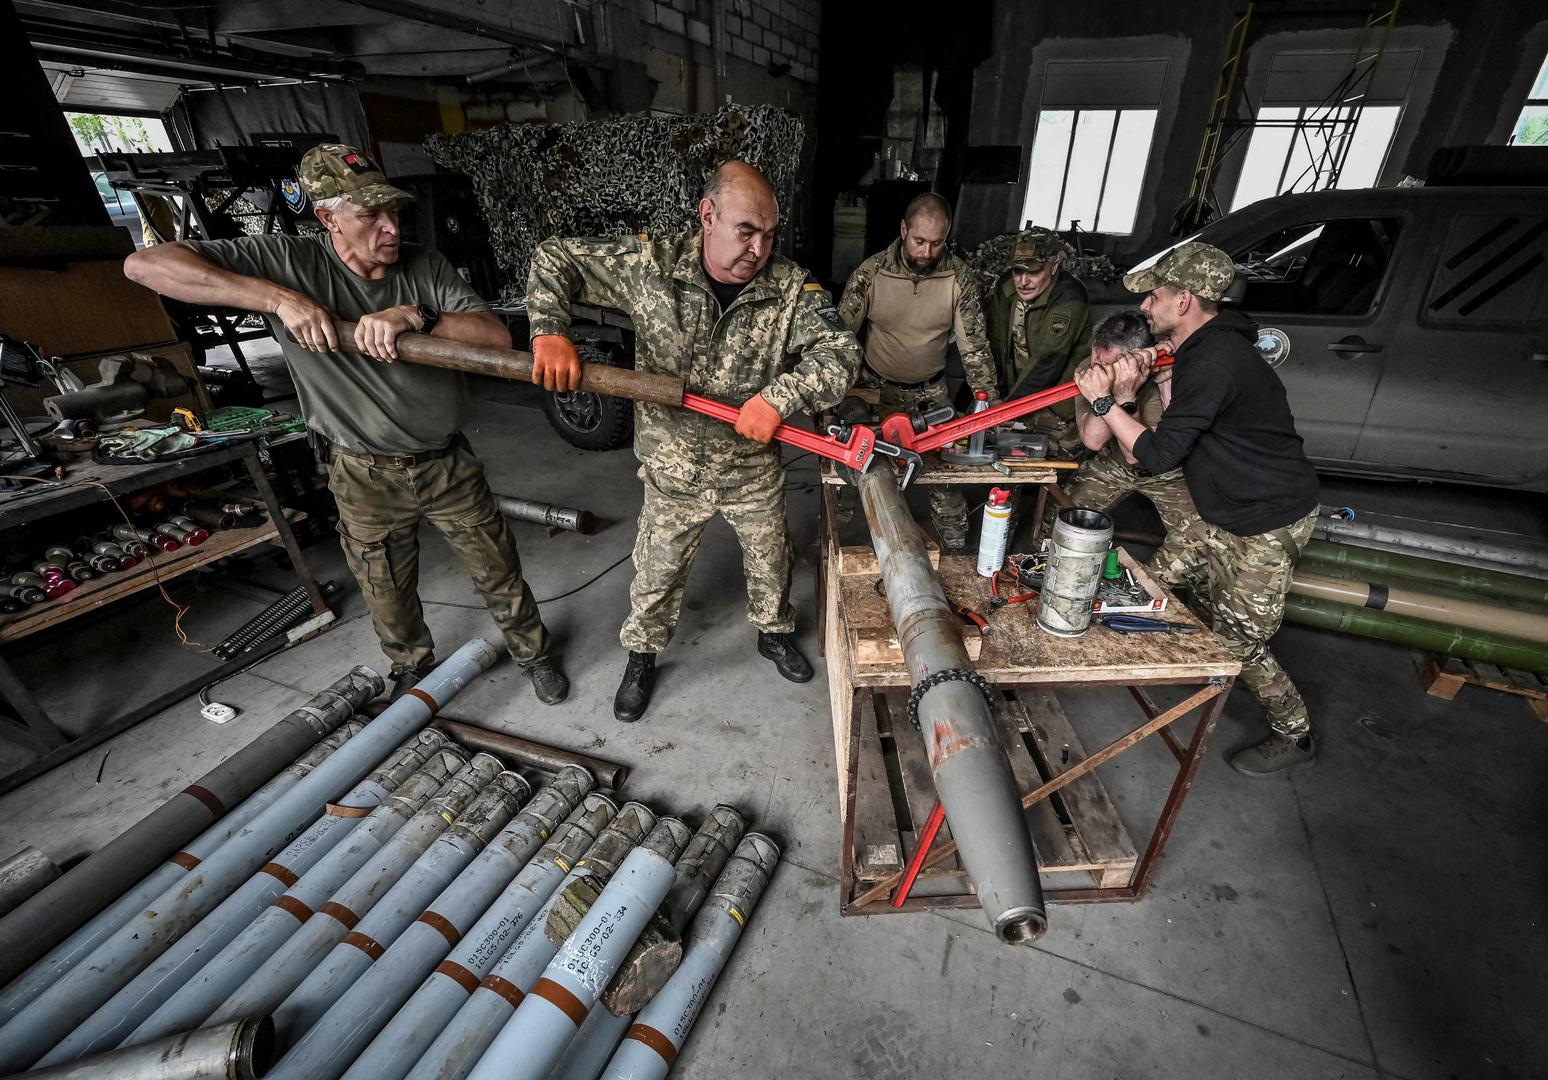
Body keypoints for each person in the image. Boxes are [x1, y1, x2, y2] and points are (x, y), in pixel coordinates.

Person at [123, 143, 569, 705]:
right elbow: (143, 265)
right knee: (385, 586)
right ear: (327, 218)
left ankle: (534, 654)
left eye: (395, 213)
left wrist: (416, 315)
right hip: (361, 472)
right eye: (370, 216)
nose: (390, 228)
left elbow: (495, 338)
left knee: (497, 568)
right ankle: (412, 669)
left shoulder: (423, 265)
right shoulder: (290, 262)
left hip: (444, 461)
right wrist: (280, 301)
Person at [524, 160, 861, 724]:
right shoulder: (650, 265)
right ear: (708, 216)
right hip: (672, 470)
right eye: (746, 231)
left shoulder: (790, 288)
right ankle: (642, 656)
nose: (759, 247)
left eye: (770, 233)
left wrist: (781, 396)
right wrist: (550, 329)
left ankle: (773, 635)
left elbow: (841, 353)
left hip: (749, 467)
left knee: (772, 561)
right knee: (656, 571)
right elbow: (553, 255)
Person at [1073, 242, 1321, 776]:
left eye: (1155, 296)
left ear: (1184, 301)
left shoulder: (1214, 361)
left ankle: (1294, 734)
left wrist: (1105, 402)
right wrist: (1146, 379)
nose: (1144, 306)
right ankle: (1182, 663)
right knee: (1152, 582)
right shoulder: (1198, 350)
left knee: (1239, 643)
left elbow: (1160, 453)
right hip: (1223, 510)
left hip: (1264, 522)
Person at [837, 193, 995, 551]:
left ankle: (955, 551)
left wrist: (989, 407)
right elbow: (839, 338)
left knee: (945, 479)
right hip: (876, 391)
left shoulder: (959, 278)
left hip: (931, 397)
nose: (926, 252)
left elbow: (974, 348)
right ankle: (838, 543)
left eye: (936, 243)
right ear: (904, 229)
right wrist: (835, 396)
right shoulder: (872, 272)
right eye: (919, 241)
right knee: (850, 473)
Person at [1067, 310, 1197, 556]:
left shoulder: (1171, 375)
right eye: (1095, 359)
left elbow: (1138, 454)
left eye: (1107, 366)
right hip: (1113, 464)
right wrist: (1107, 390)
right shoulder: (1091, 369)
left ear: (1137, 360)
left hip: (1167, 472)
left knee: (1195, 546)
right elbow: (1093, 439)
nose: (1096, 371)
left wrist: (1125, 396)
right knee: (1064, 522)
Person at [985, 227, 1092, 453]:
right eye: (1017, 271)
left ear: (1054, 266)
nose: (1023, 281)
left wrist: (1006, 409)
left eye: (1033, 272)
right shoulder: (1005, 289)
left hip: (1056, 408)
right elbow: (995, 345)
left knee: (1053, 465)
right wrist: (989, 398)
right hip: (1018, 395)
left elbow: (1048, 361)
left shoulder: (1069, 296)